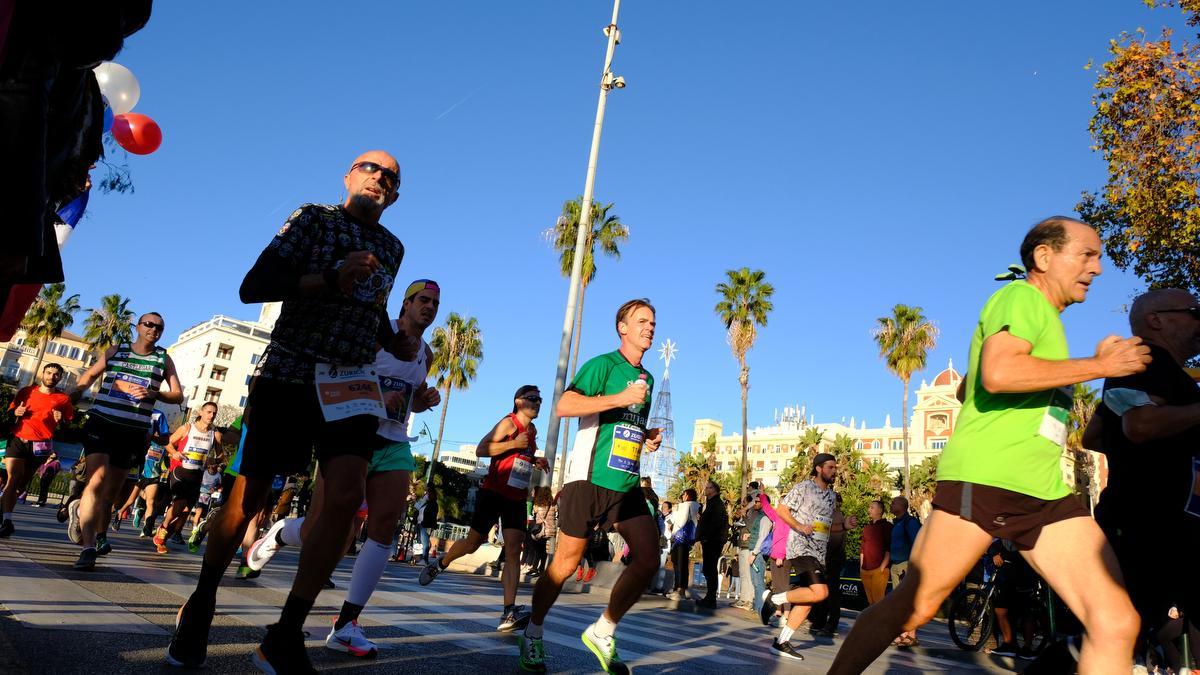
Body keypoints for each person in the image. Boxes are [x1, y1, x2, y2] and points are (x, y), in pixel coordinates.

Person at [829, 216, 1151, 675]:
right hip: (989, 481)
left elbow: (971, 390)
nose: (1097, 268)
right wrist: (1100, 364)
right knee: (914, 608)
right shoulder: (1022, 298)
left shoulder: (1046, 325)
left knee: (1116, 620)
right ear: (1044, 257)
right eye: (1086, 254)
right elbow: (998, 375)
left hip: (1044, 493)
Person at [166, 151, 411, 672]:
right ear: (349, 175)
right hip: (292, 371)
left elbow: (370, 307)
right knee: (250, 492)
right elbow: (254, 286)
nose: (380, 178)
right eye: (371, 168)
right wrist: (329, 277)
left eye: (390, 177)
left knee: (345, 498)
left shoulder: (393, 246)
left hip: (352, 383)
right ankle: (203, 602)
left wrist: (395, 338)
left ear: (395, 194)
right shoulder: (312, 218)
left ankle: (285, 634)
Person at [240, 278, 441, 658]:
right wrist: (380, 396)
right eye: (424, 300)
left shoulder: (426, 354)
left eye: (435, 303)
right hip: (352, 435)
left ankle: (346, 624)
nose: (429, 307)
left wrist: (421, 400)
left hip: (394, 442)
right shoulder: (379, 337)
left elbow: (409, 400)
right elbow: (343, 378)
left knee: (385, 524)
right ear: (407, 303)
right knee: (332, 531)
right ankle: (282, 533)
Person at [519, 298, 663, 674]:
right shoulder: (603, 365)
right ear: (623, 327)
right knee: (563, 566)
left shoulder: (648, 379)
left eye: (653, 322)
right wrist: (621, 397)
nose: (650, 327)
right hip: (589, 479)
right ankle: (533, 632)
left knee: (649, 557)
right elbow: (565, 405)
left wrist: (645, 435)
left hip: (626, 484)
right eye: (642, 321)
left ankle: (604, 629)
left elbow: (621, 421)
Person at [1085, 288, 1200, 670]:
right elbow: (1141, 425)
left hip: (1178, 528)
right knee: (1119, 635)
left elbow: (1094, 436)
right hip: (1143, 524)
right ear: (1156, 320)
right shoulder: (1141, 361)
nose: (1199, 321)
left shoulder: (1177, 379)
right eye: (1193, 312)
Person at [420, 385, 549, 632]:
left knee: (513, 552)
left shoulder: (532, 431)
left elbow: (520, 456)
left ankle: (508, 613)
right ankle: (441, 563)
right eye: (532, 398)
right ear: (518, 401)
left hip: (516, 497)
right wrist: (512, 445)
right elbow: (481, 449)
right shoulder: (508, 423)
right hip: (493, 492)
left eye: (539, 399)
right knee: (472, 543)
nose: (537, 403)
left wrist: (534, 460)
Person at [68, 312, 183, 569]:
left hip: (133, 431)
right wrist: (75, 392)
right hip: (102, 422)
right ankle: (88, 549)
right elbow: (89, 376)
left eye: (159, 327)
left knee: (111, 493)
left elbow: (177, 395)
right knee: (96, 480)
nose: (154, 329)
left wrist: (154, 393)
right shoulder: (116, 350)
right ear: (138, 327)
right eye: (149, 324)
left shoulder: (163, 358)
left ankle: (94, 527)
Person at [758, 453, 839, 661]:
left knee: (809, 598)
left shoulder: (831, 496)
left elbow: (826, 526)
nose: (834, 471)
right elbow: (782, 510)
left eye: (835, 467)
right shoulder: (804, 487)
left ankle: (782, 642)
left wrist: (844, 525)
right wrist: (799, 526)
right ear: (819, 468)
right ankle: (774, 599)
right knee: (821, 592)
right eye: (830, 467)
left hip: (819, 552)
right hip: (801, 547)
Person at [1, 363, 73, 536]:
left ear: (60, 378)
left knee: (22, 485)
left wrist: (61, 420)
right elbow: (10, 413)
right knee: (13, 478)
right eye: (49, 373)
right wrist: (16, 412)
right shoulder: (26, 392)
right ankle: (7, 521)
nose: (51, 377)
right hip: (19, 439)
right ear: (43, 373)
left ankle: (3, 510)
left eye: (56, 374)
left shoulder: (63, 400)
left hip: (41, 446)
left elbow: (67, 428)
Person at [154, 402, 226, 555]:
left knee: (186, 512)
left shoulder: (215, 434)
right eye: (208, 412)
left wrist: (213, 460)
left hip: (197, 475)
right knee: (180, 503)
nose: (211, 415)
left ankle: (163, 538)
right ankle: (163, 528)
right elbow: (168, 442)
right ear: (201, 411)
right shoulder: (187, 428)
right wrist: (174, 453)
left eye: (214, 413)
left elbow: (221, 457)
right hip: (180, 471)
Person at [810, 492, 855, 637]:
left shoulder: (835, 516)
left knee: (831, 593)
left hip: (831, 560)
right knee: (824, 591)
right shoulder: (830, 515)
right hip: (828, 559)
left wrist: (823, 558)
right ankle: (821, 621)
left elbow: (833, 540)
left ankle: (830, 624)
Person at [887, 495, 921, 646]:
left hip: (906, 565)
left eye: (894, 502)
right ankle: (902, 633)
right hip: (896, 565)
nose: (891, 504)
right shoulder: (897, 523)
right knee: (899, 602)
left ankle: (912, 635)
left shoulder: (910, 522)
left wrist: (911, 566)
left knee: (908, 601)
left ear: (902, 506)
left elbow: (918, 543)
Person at [695, 479, 727, 608]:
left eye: (708, 487)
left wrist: (706, 537)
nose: (705, 490)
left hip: (712, 541)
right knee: (709, 568)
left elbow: (715, 524)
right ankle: (710, 596)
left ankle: (711, 598)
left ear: (714, 490)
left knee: (710, 568)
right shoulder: (711, 504)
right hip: (710, 540)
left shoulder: (717, 504)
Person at [665, 488, 700, 600]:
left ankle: (678, 589)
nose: (683, 496)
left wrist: (674, 531)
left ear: (688, 496)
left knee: (678, 563)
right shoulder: (697, 506)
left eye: (684, 494)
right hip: (688, 538)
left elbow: (681, 521)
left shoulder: (685, 505)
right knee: (683, 563)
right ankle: (682, 589)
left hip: (680, 538)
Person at [859, 499, 892, 606]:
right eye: (869, 507)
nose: (869, 509)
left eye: (872, 507)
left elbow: (889, 548)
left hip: (879, 570)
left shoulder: (887, 526)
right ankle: (873, 622)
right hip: (865, 570)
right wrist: (861, 567)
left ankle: (882, 622)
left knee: (879, 602)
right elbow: (862, 549)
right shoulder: (867, 527)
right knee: (870, 601)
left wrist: (882, 568)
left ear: (880, 511)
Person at [746, 493, 773, 614]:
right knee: (754, 581)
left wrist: (754, 553)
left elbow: (762, 537)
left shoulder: (765, 517)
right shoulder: (760, 516)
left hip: (759, 554)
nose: (755, 503)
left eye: (757, 501)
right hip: (755, 552)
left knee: (758, 581)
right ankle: (757, 607)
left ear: (764, 504)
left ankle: (761, 609)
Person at [732, 494, 758, 610]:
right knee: (743, 573)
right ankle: (744, 598)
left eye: (744, 502)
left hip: (748, 547)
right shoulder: (747, 513)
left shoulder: (752, 513)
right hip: (742, 545)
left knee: (747, 574)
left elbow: (752, 527)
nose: (742, 504)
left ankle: (748, 600)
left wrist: (745, 515)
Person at [414, 486, 439, 564]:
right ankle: (418, 558)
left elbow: (432, 516)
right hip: (419, 523)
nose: (425, 494)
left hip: (426, 525)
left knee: (425, 542)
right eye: (425, 493)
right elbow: (417, 506)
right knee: (418, 542)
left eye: (427, 493)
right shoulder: (424, 503)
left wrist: (432, 525)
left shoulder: (433, 504)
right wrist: (422, 500)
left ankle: (424, 559)